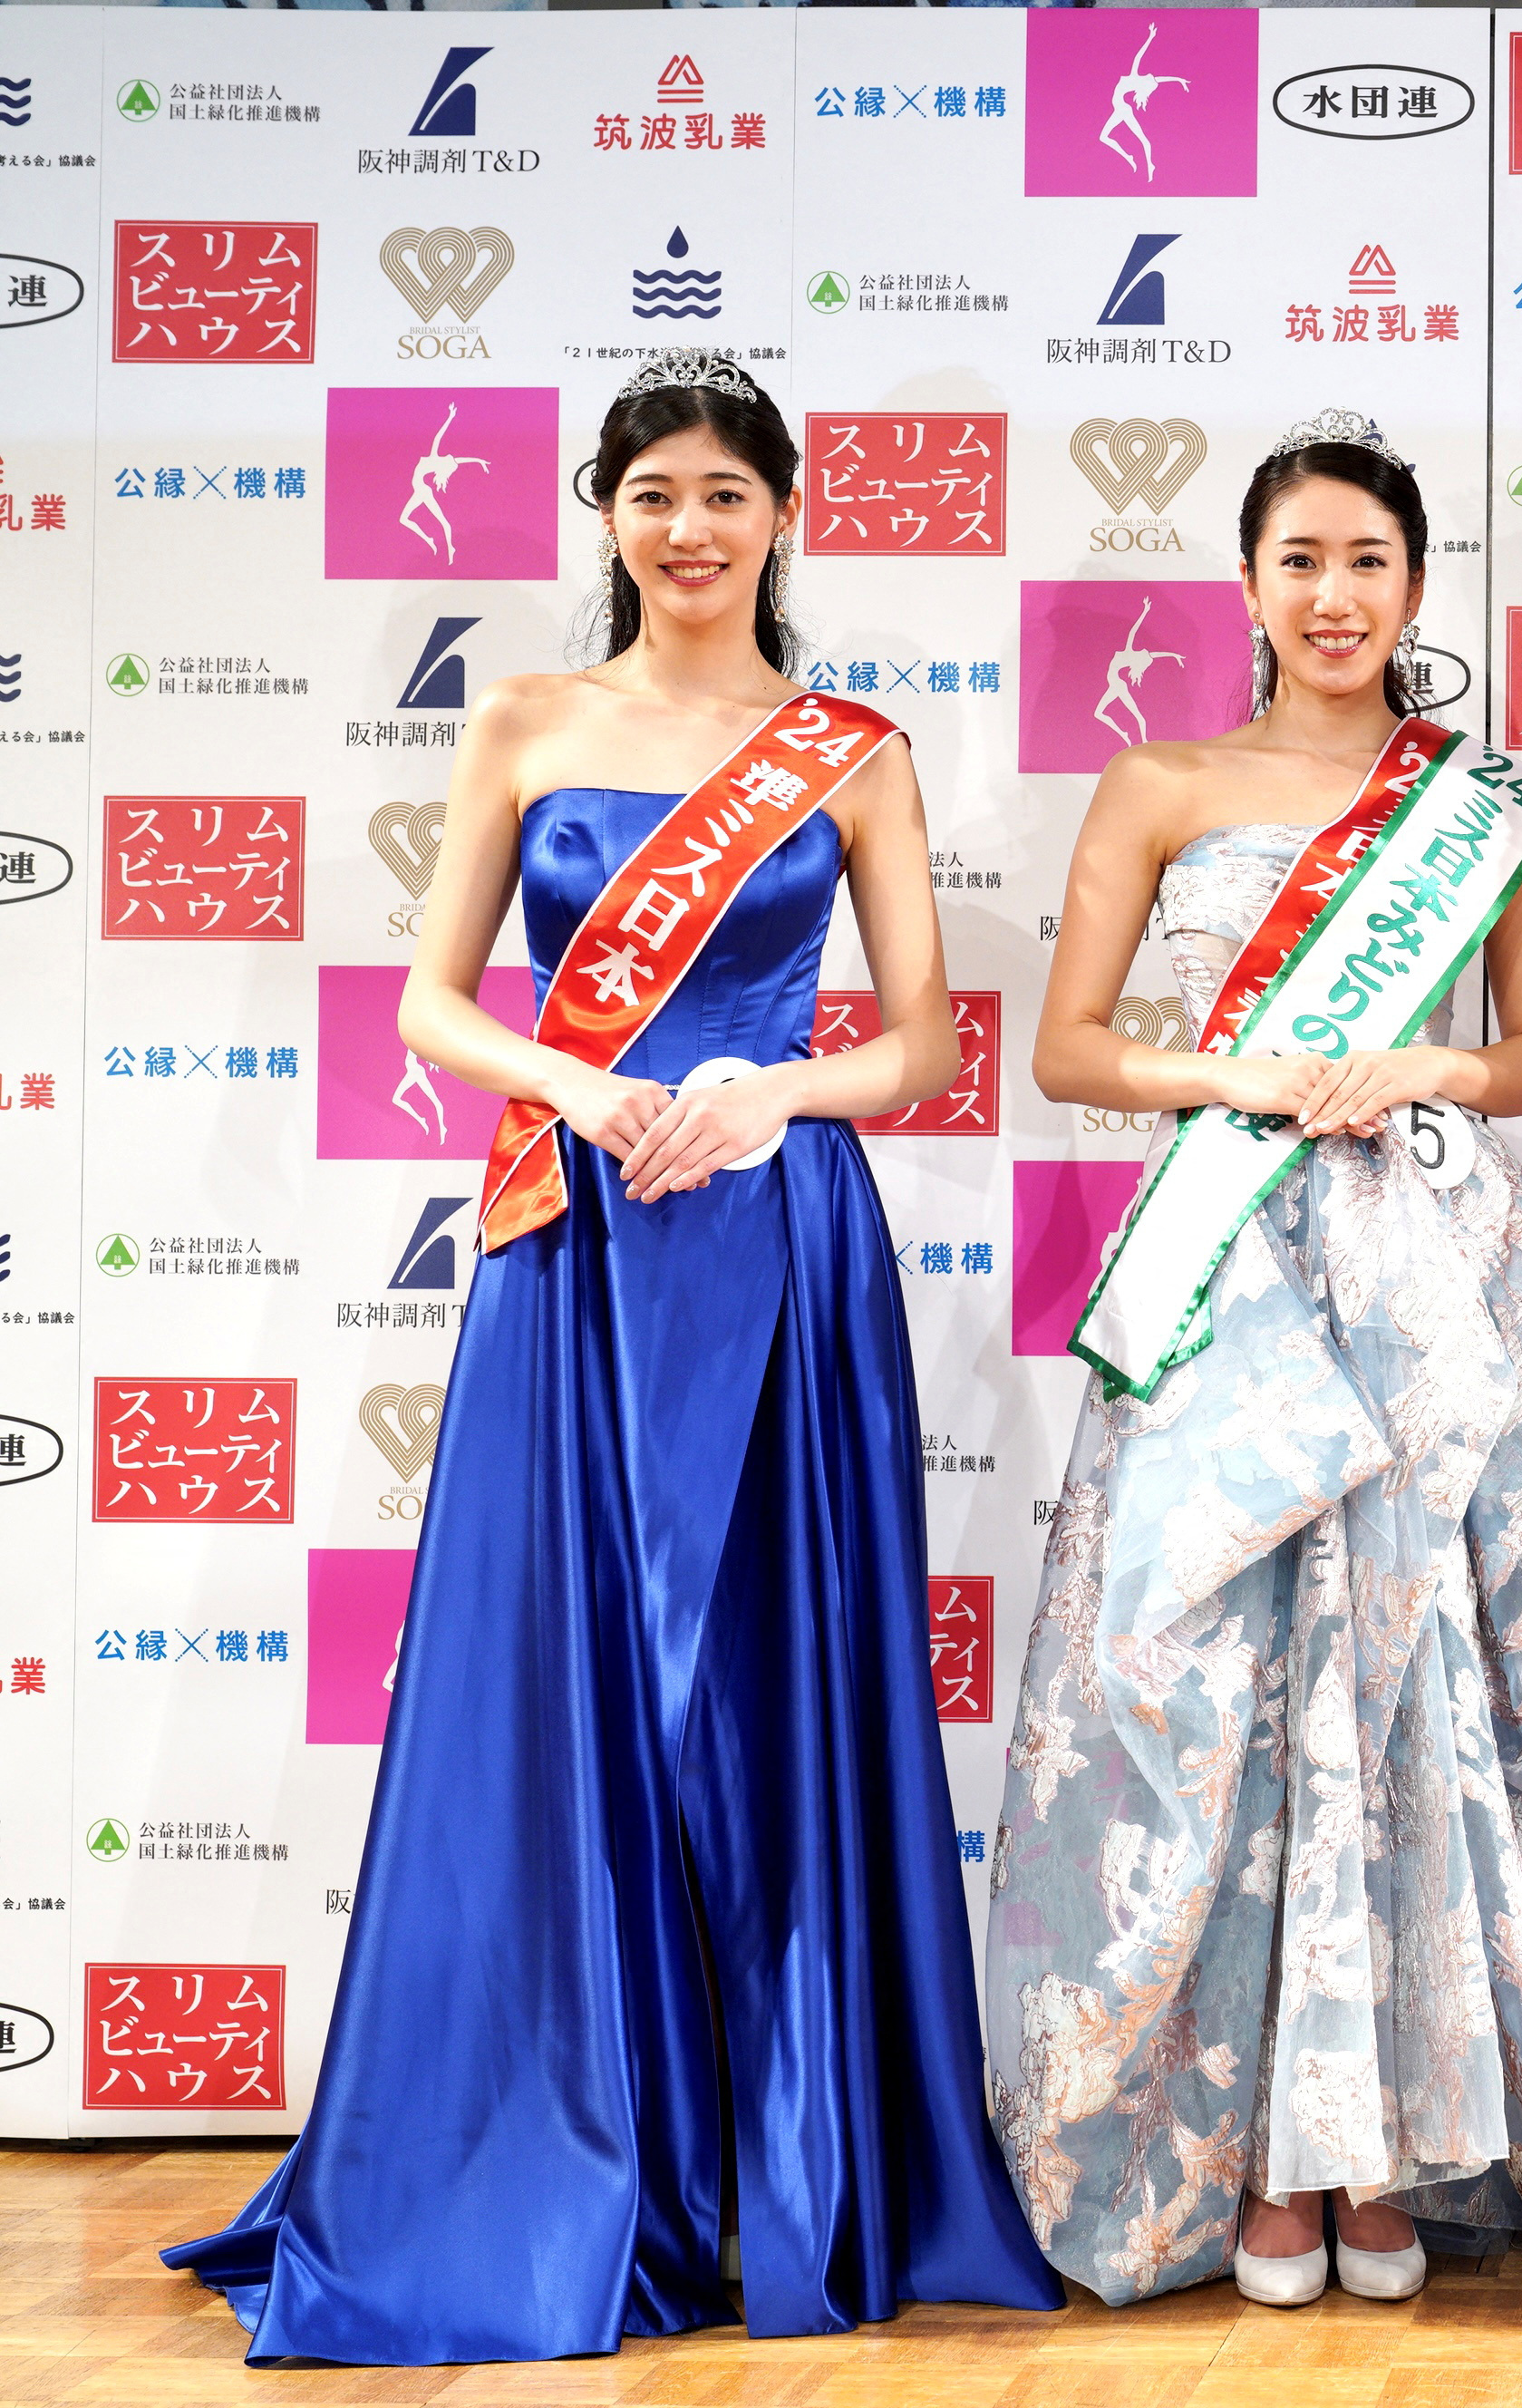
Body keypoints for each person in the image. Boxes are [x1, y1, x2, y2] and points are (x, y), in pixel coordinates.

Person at [159, 350, 1062, 2363]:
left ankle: (789, 2165)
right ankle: (583, 2150)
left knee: (771, 1687)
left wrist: (781, 1093)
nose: (690, 528)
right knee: (562, 1686)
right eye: (654, 493)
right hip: (570, 1239)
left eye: (728, 494)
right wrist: (581, 1075)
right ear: (606, 513)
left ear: (783, 516)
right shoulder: (528, 717)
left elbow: (920, 1040)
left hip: (778, 1234)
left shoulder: (849, 749)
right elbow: (428, 1005)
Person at [984, 410, 1522, 2316]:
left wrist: (1414, 1064)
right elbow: (1075, 1050)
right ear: (1248, 586)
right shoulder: (1160, 779)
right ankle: (1276, 2151)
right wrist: (1245, 1072)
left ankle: (1401, 2147)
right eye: (1300, 560)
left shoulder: (1487, 803)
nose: (1334, 594)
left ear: (1416, 585)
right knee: (1230, 1696)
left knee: (1430, 1688)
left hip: (1431, 1270)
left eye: (1368, 560)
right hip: (1226, 1267)